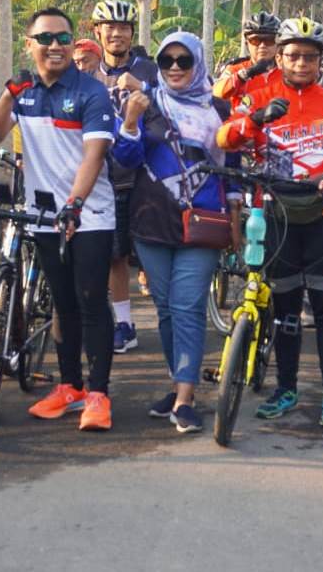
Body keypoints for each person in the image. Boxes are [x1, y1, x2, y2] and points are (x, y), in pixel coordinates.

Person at [218, 16, 323, 428]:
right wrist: (257, 119)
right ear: (279, 57)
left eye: (310, 57)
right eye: (293, 55)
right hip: (277, 213)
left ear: (321, 61)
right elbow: (224, 138)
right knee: (284, 308)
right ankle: (286, 388)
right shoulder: (258, 96)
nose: (301, 63)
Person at [0, 7, 118, 432]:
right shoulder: (24, 93)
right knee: (62, 305)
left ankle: (99, 394)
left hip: (89, 215)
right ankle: (70, 387)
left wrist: (75, 204)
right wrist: (9, 93)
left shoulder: (91, 92)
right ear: (31, 45)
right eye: (45, 39)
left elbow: (94, 154)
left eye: (63, 38)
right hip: (43, 216)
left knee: (91, 302)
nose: (55, 46)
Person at [112, 31, 242, 434]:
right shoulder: (147, 104)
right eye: (167, 60)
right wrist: (130, 121)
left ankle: (185, 399)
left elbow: (233, 170)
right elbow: (125, 157)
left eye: (183, 61)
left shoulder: (219, 108)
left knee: (187, 306)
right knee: (166, 308)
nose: (174, 68)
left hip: (203, 220)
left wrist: (237, 221)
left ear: (198, 63)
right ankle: (177, 382)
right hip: (152, 219)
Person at [89, 0, 158, 354]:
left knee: (152, 252)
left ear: (133, 33)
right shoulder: (88, 76)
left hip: (146, 177)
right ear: (97, 31)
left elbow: (172, 105)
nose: (117, 33)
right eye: (110, 27)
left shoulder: (149, 70)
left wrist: (143, 89)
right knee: (114, 256)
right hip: (104, 178)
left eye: (124, 28)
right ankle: (125, 324)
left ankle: (172, 319)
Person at [213, 10, 282, 106]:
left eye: (269, 40)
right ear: (247, 44)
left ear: (278, 44)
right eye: (255, 40)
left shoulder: (288, 72)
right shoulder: (235, 69)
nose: (262, 46)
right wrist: (245, 74)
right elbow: (216, 92)